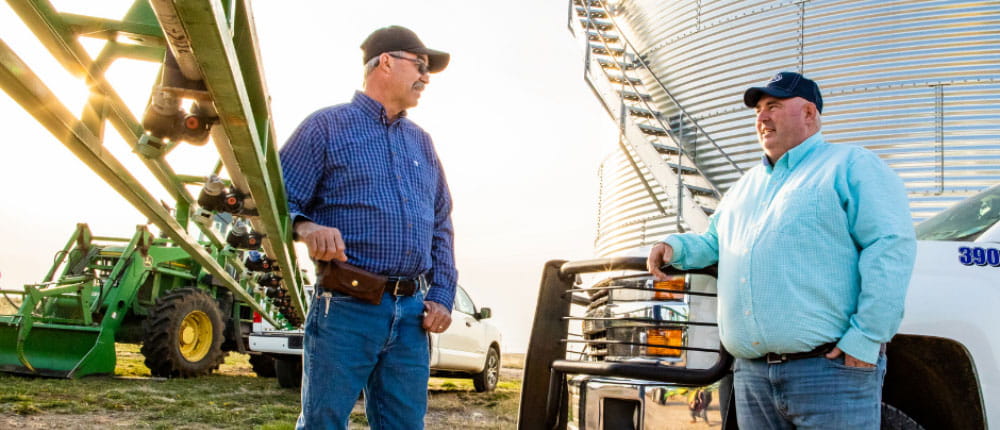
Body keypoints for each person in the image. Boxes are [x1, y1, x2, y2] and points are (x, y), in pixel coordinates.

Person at [647, 71, 917, 428]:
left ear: (809, 114)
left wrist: (866, 338)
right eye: (758, 109)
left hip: (829, 373)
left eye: (773, 106)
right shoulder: (744, 187)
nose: (761, 117)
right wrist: (674, 246)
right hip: (752, 378)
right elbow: (715, 243)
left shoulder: (850, 165)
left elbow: (889, 247)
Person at [279, 25, 457, 429]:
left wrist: (443, 294)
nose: (426, 78)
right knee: (323, 423)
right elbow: (278, 201)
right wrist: (305, 227)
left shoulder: (422, 143)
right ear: (387, 63)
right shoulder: (325, 127)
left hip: (413, 315)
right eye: (421, 66)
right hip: (345, 309)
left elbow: (441, 224)